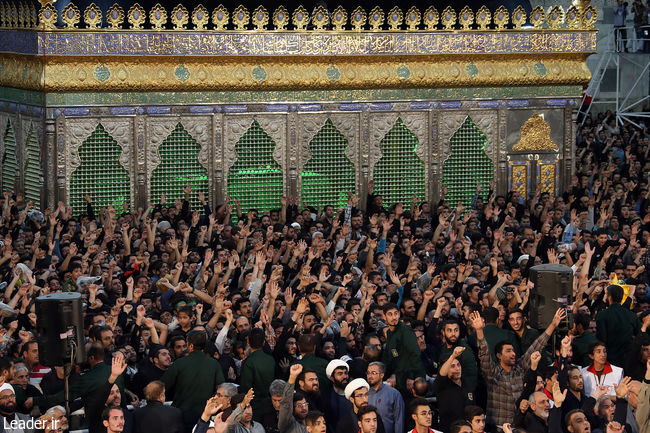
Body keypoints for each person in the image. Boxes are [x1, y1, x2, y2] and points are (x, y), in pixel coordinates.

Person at [470, 307, 566, 426]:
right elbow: (484, 353)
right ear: (499, 355)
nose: (513, 353)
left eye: (513, 350)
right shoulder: (492, 372)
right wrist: (479, 330)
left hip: (518, 425)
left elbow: (536, 346)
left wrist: (553, 325)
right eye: (509, 351)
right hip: (498, 427)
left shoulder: (519, 368)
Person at [162, 330, 225, 431]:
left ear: (190, 345)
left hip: (181, 414)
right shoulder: (214, 364)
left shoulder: (179, 363)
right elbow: (222, 388)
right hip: (205, 413)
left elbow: (163, 386)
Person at [381, 303, 425, 396]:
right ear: (384, 317)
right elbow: (392, 354)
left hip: (411, 378)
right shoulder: (389, 332)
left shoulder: (405, 330)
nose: (394, 317)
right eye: (390, 314)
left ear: (399, 314)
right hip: (399, 376)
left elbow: (415, 353)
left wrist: (412, 376)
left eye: (396, 313)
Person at [432, 346, 476, 433]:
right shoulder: (441, 384)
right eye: (452, 366)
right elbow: (441, 375)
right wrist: (452, 356)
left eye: (458, 365)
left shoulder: (467, 384)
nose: (457, 369)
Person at [595, 285, 641, 367]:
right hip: (629, 359)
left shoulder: (602, 315)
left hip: (609, 360)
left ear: (609, 297)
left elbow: (601, 339)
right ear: (622, 297)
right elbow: (640, 335)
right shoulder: (632, 315)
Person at [239, 327, 275, 421]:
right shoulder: (271, 360)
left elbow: (245, 387)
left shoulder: (248, 362)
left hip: (254, 406)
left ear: (248, 342)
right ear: (263, 343)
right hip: (270, 403)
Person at [366, 362, 404, 433]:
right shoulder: (365, 394)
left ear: (382, 375)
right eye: (368, 373)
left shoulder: (394, 394)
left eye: (373, 373)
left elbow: (399, 421)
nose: (369, 376)